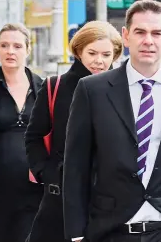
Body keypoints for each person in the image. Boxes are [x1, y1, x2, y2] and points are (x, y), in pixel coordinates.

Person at [63, 0, 161, 242]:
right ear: (126, 36)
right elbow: (76, 165)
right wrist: (76, 233)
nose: (148, 40)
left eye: (157, 33)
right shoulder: (92, 90)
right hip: (113, 229)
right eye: (140, 32)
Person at [25, 21, 123, 242]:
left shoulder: (123, 90)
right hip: (61, 196)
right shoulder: (55, 86)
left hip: (110, 195)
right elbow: (34, 137)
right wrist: (47, 173)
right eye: (92, 53)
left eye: (107, 54)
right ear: (78, 51)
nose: (99, 60)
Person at [0, 23, 43, 242]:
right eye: (4, 45)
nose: (10, 51)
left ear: (27, 50)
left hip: (35, 189)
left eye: (17, 46)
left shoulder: (44, 88)